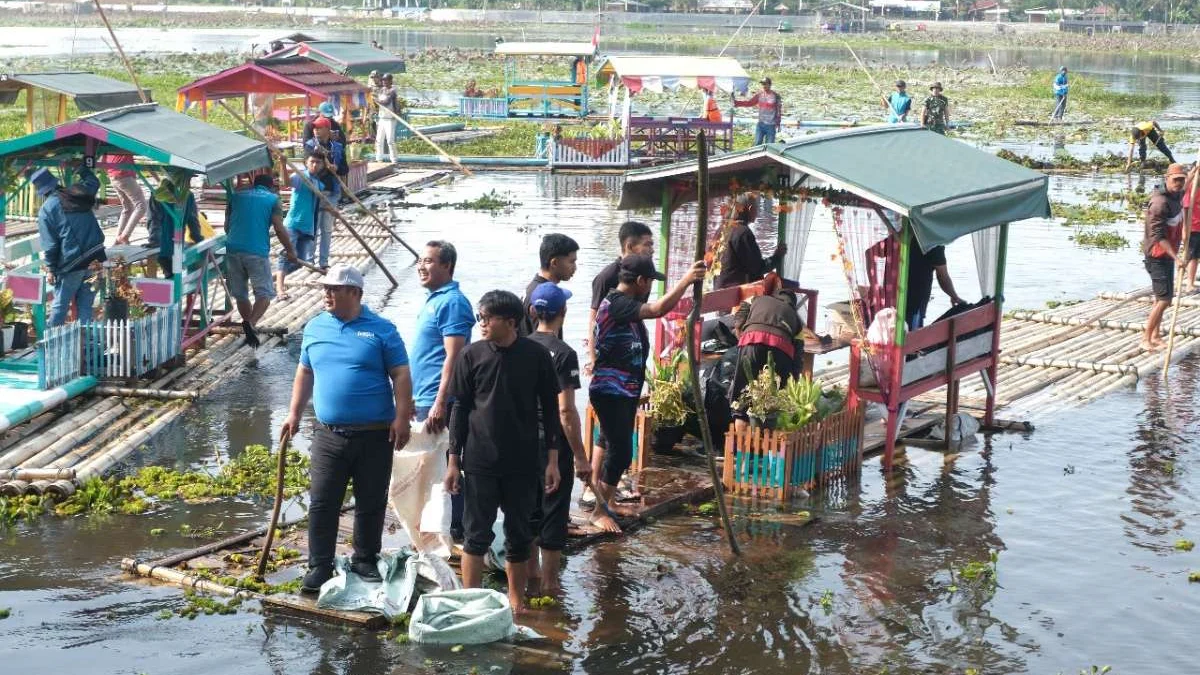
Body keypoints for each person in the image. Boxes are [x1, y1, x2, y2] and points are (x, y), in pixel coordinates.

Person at [281, 264, 413, 593]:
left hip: (375, 433)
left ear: (354, 293)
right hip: (328, 433)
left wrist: (402, 416)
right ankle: (319, 565)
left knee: (371, 499)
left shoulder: (382, 329)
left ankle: (365, 558)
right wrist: (294, 413)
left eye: (334, 289)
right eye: (325, 288)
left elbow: (400, 373)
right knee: (323, 502)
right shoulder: (314, 327)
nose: (327, 294)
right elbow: (304, 372)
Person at [442, 290, 563, 616]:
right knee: (475, 533)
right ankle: (472, 602)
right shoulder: (471, 355)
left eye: (486, 318)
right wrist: (454, 462)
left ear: (510, 322)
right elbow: (460, 410)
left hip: (523, 461)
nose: (481, 323)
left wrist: (552, 460)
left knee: (519, 533)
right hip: (480, 459)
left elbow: (551, 410)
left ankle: (516, 600)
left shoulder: (536, 356)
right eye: (479, 317)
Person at [588, 254, 707, 533]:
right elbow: (657, 310)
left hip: (624, 390)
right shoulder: (617, 303)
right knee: (621, 453)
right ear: (640, 281)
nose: (651, 287)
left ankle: (608, 501)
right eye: (651, 281)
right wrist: (686, 281)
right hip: (611, 390)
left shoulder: (627, 304)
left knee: (614, 445)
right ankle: (598, 511)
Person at [524, 283, 591, 596]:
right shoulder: (564, 354)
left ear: (533, 313)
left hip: (522, 440)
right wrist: (580, 455)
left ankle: (531, 578)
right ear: (562, 313)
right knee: (553, 509)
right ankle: (551, 585)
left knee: (527, 508)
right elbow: (566, 411)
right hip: (552, 444)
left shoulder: (521, 346)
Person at [584, 221, 654, 506]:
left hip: (628, 377)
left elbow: (638, 318)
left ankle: (605, 494)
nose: (651, 249)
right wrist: (593, 359)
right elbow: (594, 319)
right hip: (610, 377)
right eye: (647, 244)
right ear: (629, 246)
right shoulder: (609, 278)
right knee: (616, 443)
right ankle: (597, 497)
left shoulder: (638, 280)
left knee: (613, 439)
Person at [409, 240, 475, 539]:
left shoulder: (452, 302)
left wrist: (440, 402)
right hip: (424, 396)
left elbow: (454, 356)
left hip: (441, 399)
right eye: (420, 261)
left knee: (450, 462)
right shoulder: (434, 298)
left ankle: (457, 529)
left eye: (429, 261)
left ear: (447, 265)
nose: (422, 266)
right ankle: (440, 525)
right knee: (432, 465)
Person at [224, 174, 299, 347]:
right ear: (271, 185)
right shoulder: (273, 199)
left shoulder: (235, 197)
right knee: (264, 294)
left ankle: (248, 325)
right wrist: (290, 251)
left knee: (241, 294)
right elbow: (279, 228)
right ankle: (250, 324)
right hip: (256, 252)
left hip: (233, 249)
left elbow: (227, 226)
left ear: (253, 184)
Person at [728, 274, 804, 433]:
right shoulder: (795, 318)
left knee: (741, 404)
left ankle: (741, 450)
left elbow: (738, 321)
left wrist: (743, 341)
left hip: (751, 341)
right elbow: (797, 357)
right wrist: (793, 380)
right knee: (772, 406)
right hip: (781, 350)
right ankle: (764, 448)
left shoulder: (756, 300)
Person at [32, 165, 105, 327]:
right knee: (86, 303)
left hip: (73, 261)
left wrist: (51, 268)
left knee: (60, 304)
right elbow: (94, 182)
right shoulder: (77, 193)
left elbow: (50, 245)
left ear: (42, 192)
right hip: (95, 257)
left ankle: (51, 342)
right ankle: (85, 343)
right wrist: (80, 167)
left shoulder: (47, 209)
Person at [275, 153, 337, 301]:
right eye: (312, 162)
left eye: (318, 163)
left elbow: (321, 203)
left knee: (299, 261)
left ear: (322, 165)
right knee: (286, 255)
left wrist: (332, 210)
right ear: (306, 163)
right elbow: (286, 182)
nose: (315, 165)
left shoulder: (318, 184)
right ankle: (279, 289)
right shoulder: (300, 177)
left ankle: (277, 275)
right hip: (293, 223)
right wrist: (283, 164)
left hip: (307, 227)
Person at [1141, 163, 1187, 352]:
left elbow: (1191, 182)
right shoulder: (1160, 203)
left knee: (1161, 297)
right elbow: (1157, 236)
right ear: (1167, 178)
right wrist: (1176, 257)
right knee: (1164, 300)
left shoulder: (1177, 195)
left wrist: (1195, 171)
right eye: (1175, 180)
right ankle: (1145, 339)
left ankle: (1156, 335)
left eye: (1181, 180)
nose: (1179, 183)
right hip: (1157, 255)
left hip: (1167, 256)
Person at [715, 193, 787, 290]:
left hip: (719, 289)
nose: (757, 211)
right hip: (737, 292)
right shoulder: (743, 232)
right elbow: (758, 268)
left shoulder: (722, 229)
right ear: (750, 208)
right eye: (757, 208)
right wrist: (777, 256)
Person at [519, 233, 579, 337]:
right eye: (571, 262)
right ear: (554, 263)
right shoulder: (543, 298)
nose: (575, 267)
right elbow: (545, 342)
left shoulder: (533, 289)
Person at [146, 172, 204, 279]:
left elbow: (153, 220)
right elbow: (193, 221)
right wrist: (198, 238)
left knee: (171, 279)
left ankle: (167, 293)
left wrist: (154, 241)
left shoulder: (157, 194)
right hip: (176, 246)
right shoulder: (188, 195)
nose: (189, 184)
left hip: (162, 249)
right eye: (188, 181)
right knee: (174, 281)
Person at [905, 243, 965, 330]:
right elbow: (942, 276)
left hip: (891, 300)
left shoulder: (901, 236)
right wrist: (954, 296)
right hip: (914, 304)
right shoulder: (933, 243)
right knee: (912, 336)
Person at [105, 152, 147, 245]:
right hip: (124, 175)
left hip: (113, 176)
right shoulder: (123, 142)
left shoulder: (108, 143)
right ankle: (125, 236)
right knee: (141, 206)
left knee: (127, 209)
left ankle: (118, 239)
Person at [733, 77, 782, 145]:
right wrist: (737, 103)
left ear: (770, 85)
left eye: (765, 84)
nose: (764, 86)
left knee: (769, 145)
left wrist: (778, 123)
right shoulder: (759, 95)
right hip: (760, 124)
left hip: (771, 125)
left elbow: (779, 111)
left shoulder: (776, 96)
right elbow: (750, 103)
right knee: (757, 143)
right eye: (762, 84)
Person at [305, 116, 350, 188]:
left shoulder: (338, 147)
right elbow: (308, 167)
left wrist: (337, 168)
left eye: (319, 127)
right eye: (314, 128)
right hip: (315, 187)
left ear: (328, 129)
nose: (316, 130)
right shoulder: (310, 145)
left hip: (333, 187)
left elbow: (345, 169)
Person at [374, 73, 400, 164]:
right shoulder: (381, 90)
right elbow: (378, 103)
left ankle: (394, 160)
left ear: (390, 81)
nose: (384, 82)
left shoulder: (393, 91)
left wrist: (376, 100)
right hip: (382, 118)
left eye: (386, 80)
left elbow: (386, 102)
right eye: (383, 80)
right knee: (379, 139)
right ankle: (379, 159)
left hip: (390, 119)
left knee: (390, 140)